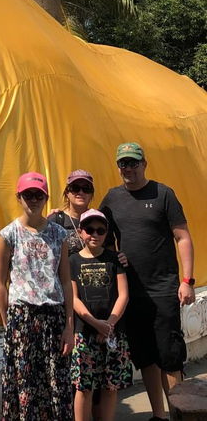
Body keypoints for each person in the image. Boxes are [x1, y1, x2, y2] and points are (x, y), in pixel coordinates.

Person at [100, 142, 195, 421]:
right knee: (146, 359)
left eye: (133, 162)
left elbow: (183, 237)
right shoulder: (112, 198)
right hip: (130, 292)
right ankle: (159, 415)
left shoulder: (163, 194)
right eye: (123, 164)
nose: (128, 168)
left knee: (170, 357)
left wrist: (187, 280)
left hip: (164, 289)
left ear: (144, 164)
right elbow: (96, 234)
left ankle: (180, 414)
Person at [0, 171, 74, 420]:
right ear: (19, 197)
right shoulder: (9, 235)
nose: (33, 199)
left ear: (46, 197)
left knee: (56, 384)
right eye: (28, 194)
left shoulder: (59, 234)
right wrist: (8, 323)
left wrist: (69, 325)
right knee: (25, 384)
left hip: (53, 316)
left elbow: (65, 280)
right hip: (23, 316)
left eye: (38, 194)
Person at [70, 208, 132, 421]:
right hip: (85, 333)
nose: (94, 234)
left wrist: (109, 324)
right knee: (84, 386)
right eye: (89, 229)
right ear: (81, 231)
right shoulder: (73, 261)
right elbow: (74, 298)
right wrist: (96, 324)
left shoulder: (114, 259)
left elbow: (123, 295)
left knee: (110, 385)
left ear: (106, 233)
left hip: (113, 332)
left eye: (100, 230)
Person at [48, 170, 95, 255]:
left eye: (86, 189)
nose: (80, 192)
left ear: (91, 194)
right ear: (67, 193)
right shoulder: (55, 220)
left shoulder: (98, 219)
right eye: (75, 188)